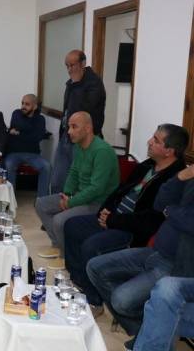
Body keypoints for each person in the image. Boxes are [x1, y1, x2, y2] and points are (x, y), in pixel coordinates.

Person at [64, 124, 187, 314]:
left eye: (156, 140)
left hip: (130, 230)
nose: (149, 142)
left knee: (91, 246)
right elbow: (120, 190)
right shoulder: (147, 165)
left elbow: (151, 220)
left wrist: (113, 220)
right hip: (114, 217)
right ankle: (80, 281)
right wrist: (105, 211)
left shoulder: (174, 180)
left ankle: (94, 302)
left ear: (169, 151)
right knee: (71, 225)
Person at [87, 164, 194, 338]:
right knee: (94, 267)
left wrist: (171, 210)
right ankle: (142, 329)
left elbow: (187, 220)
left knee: (121, 300)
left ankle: (152, 327)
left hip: (177, 265)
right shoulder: (189, 176)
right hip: (155, 251)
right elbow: (160, 203)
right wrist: (181, 176)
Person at [35, 111, 118, 269]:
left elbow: (97, 188)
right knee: (41, 204)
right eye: (69, 127)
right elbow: (73, 172)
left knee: (60, 220)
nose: (69, 131)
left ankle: (66, 256)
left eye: (74, 127)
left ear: (88, 128)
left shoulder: (102, 151)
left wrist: (71, 202)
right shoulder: (79, 146)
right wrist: (66, 195)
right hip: (79, 196)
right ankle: (57, 245)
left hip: (98, 203)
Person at [50, 50, 106, 194]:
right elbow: (67, 110)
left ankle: (70, 208)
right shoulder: (72, 83)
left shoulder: (94, 83)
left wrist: (75, 83)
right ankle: (56, 207)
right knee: (56, 183)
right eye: (67, 66)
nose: (69, 69)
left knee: (77, 184)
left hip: (83, 141)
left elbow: (81, 112)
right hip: (66, 137)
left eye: (72, 65)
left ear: (83, 63)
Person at [4, 94, 51, 197]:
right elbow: (19, 125)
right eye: (22, 103)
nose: (23, 106)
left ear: (35, 107)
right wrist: (31, 131)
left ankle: (41, 200)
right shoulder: (16, 113)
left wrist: (19, 132)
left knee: (46, 166)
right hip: (14, 153)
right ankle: (10, 199)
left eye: (27, 104)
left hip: (33, 154)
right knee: (8, 165)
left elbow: (37, 137)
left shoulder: (40, 119)